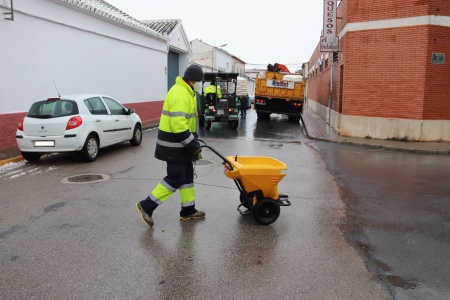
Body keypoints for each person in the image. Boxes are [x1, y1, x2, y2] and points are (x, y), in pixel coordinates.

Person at [136, 64, 205, 227]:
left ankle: (188, 211)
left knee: (187, 177)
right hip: (174, 146)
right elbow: (178, 125)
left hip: (181, 145)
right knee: (176, 177)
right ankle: (146, 205)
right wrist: (192, 144)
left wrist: (193, 140)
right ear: (193, 79)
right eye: (198, 80)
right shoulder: (179, 93)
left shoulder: (187, 91)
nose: (199, 83)